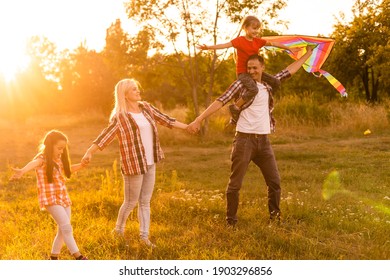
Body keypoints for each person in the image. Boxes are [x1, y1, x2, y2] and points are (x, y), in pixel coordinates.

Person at [188, 46, 314, 227]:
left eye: (255, 68)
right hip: (244, 140)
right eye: (249, 68)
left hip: (263, 141)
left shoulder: (268, 84)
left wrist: (308, 54)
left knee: (275, 182)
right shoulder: (242, 84)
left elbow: (289, 71)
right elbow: (221, 100)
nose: (252, 71)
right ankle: (230, 222)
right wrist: (199, 119)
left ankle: (275, 219)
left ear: (262, 67)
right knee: (235, 184)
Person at [81, 78, 188, 248]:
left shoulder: (146, 108)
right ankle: (118, 230)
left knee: (145, 201)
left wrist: (188, 127)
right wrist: (89, 152)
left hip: (150, 162)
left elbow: (166, 120)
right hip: (134, 164)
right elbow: (105, 137)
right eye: (133, 90)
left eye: (137, 89)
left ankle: (144, 237)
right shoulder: (120, 117)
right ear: (125, 95)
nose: (138, 92)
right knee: (131, 202)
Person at [198, 15, 298, 124]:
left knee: (276, 82)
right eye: (254, 28)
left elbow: (274, 43)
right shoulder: (239, 41)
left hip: (255, 72)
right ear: (245, 27)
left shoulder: (258, 41)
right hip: (244, 74)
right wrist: (208, 47)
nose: (256, 31)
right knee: (253, 89)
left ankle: (262, 103)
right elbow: (224, 45)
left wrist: (289, 48)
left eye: (258, 28)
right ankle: (236, 106)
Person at [10, 130, 88, 260]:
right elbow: (33, 163)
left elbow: (67, 170)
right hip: (50, 199)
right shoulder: (42, 159)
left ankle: (53, 258)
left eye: (63, 149)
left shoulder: (57, 160)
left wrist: (81, 165)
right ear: (50, 145)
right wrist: (22, 171)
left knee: (62, 230)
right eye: (59, 148)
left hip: (63, 197)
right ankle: (79, 257)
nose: (61, 152)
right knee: (66, 228)